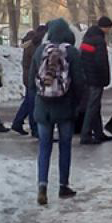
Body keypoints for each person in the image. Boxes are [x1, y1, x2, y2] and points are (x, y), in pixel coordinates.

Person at [30, 18, 86, 205]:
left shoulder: (40, 51)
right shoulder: (72, 53)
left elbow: (31, 80)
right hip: (65, 107)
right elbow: (79, 82)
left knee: (44, 147)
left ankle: (42, 186)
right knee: (64, 146)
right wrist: (78, 103)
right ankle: (63, 185)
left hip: (43, 107)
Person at [80, 16, 112, 145]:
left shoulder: (87, 38)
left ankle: (98, 133)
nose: (109, 30)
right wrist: (105, 78)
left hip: (87, 77)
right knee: (92, 107)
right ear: (105, 27)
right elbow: (101, 62)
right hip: (96, 79)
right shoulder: (99, 41)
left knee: (95, 106)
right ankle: (86, 134)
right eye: (109, 28)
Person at [12, 25, 46, 136]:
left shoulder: (31, 43)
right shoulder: (36, 45)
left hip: (28, 77)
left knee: (29, 102)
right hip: (33, 77)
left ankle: (17, 122)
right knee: (33, 104)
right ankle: (34, 128)